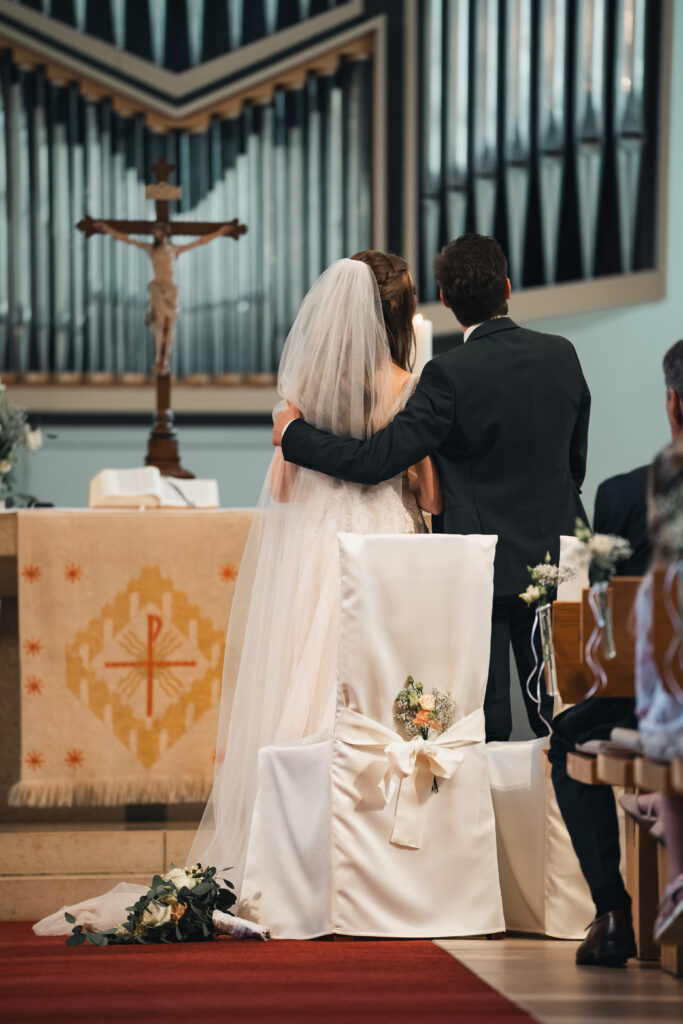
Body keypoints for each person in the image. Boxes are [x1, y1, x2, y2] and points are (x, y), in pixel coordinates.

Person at [274, 233, 591, 741]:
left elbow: (375, 460)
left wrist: (293, 432)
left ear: (444, 300)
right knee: (564, 714)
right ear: (507, 287)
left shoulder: (447, 374)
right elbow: (575, 461)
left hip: (480, 564)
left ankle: (490, 822)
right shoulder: (563, 354)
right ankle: (576, 822)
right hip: (560, 558)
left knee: (482, 720)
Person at [548, 338, 683, 966]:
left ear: (672, 406)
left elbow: (611, 635)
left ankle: (612, 914)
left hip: (655, 703)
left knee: (569, 731)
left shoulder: (625, 495)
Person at [92, 219, 233, 373]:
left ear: (166, 233)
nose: (154, 234)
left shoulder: (175, 250)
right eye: (153, 232)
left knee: (169, 325)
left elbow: (201, 241)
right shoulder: (151, 249)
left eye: (157, 231)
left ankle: (166, 359)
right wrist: (107, 229)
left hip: (171, 291)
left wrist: (220, 232)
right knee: (160, 325)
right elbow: (127, 239)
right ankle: (159, 357)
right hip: (158, 290)